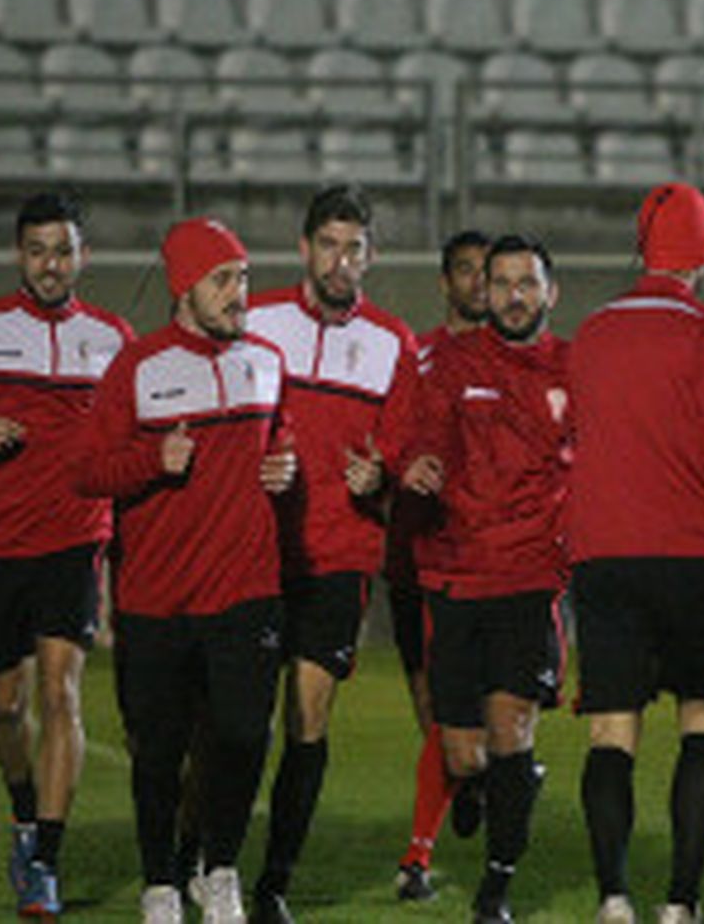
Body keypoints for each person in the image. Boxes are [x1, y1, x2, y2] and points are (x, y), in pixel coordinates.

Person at [0, 192, 133, 919]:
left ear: (83, 257)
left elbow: (135, 430)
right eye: (38, 251)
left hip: (76, 540)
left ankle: (45, 859)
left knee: (61, 694)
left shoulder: (112, 338)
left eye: (63, 251)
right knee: (7, 705)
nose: (50, 265)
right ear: (20, 255)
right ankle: (22, 810)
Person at [75, 217, 296, 924]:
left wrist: (284, 462)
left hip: (248, 589)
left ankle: (220, 869)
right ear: (184, 288)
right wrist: (152, 460)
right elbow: (87, 470)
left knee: (244, 735)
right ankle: (160, 883)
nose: (239, 293)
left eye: (243, 277)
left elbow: (280, 433)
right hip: (156, 599)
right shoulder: (137, 367)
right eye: (223, 279)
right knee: (158, 753)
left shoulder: (267, 359)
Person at [569, 182, 704, 924]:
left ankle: (614, 897)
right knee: (700, 717)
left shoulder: (593, 332)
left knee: (611, 729)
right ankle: (681, 901)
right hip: (690, 550)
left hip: (604, 550)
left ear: (642, 245)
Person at [243, 183, 420, 924]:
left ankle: (272, 885)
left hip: (340, 558)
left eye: (354, 248)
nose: (340, 260)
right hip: (253, 553)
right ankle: (202, 861)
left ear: (369, 256)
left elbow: (405, 450)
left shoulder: (393, 342)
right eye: (328, 245)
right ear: (304, 248)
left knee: (307, 720)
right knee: (234, 723)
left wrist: (381, 476)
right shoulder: (255, 320)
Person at [400, 233, 570, 924]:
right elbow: (422, 435)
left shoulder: (575, 369)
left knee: (510, 730)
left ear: (550, 292)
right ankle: (510, 786)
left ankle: (495, 890)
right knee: (465, 755)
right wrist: (416, 464)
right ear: (484, 292)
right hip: (457, 573)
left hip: (529, 577)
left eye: (527, 282)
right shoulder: (452, 364)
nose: (514, 295)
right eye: (502, 283)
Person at [383, 228, 493, 901]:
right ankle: (471, 779)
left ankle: (416, 855)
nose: (478, 282)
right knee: (434, 710)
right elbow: (390, 435)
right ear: (445, 281)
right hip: (413, 555)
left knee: (472, 710)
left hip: (485, 561)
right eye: (466, 270)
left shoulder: (518, 358)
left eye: (487, 270)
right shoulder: (416, 357)